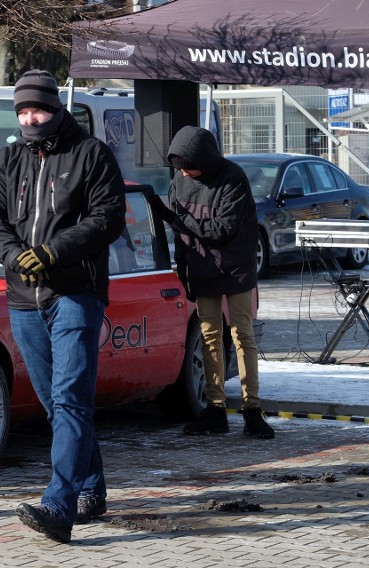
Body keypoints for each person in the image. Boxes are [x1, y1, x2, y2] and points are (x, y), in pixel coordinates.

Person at [0, 69, 126, 544]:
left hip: (75, 294)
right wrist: (12, 253)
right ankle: (91, 486)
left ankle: (59, 506)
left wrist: (53, 252)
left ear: (56, 108)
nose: (30, 118)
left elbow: (108, 218)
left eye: (37, 109)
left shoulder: (91, 154)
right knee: (58, 404)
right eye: (22, 111)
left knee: (70, 400)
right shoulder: (10, 156)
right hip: (23, 299)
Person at [149, 125, 274, 439]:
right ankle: (215, 409)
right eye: (180, 168)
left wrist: (175, 218)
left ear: (204, 159)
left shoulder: (233, 178)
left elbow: (220, 229)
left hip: (236, 269)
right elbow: (182, 235)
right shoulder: (181, 180)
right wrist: (182, 269)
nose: (185, 173)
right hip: (201, 269)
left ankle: (252, 409)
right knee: (208, 338)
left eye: (189, 166)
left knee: (242, 335)